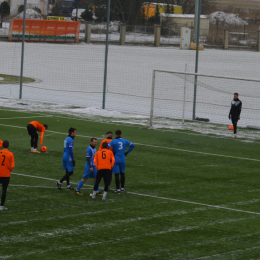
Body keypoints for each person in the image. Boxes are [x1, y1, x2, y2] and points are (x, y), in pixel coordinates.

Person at [0, 140, 15, 210]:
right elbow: (13, 166)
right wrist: (9, 170)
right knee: (4, 190)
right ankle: (1, 206)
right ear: (8, 146)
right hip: (6, 174)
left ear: (2, 145)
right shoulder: (11, 154)